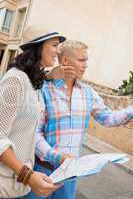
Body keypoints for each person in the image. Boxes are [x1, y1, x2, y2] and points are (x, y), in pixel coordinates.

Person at [25, 40, 133, 199]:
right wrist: (57, 157)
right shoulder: (43, 89)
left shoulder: (88, 93)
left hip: (70, 177)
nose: (86, 65)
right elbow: (34, 133)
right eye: (81, 60)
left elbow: (108, 119)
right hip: (40, 171)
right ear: (66, 61)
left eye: (86, 60)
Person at [0, 32, 76, 199]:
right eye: (55, 45)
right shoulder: (15, 80)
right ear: (38, 47)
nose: (58, 51)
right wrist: (28, 175)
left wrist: (49, 75)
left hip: (18, 185)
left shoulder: (32, 82)